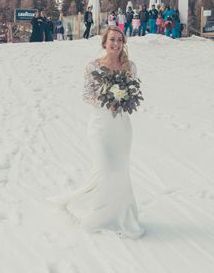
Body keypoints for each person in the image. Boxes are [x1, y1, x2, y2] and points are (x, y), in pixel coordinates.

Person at [51, 26, 145, 238]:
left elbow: (133, 92)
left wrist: (122, 100)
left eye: (120, 40)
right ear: (104, 43)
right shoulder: (93, 66)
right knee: (106, 170)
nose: (116, 43)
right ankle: (97, 216)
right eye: (112, 39)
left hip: (121, 128)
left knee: (119, 173)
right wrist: (106, 101)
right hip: (100, 127)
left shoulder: (130, 67)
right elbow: (86, 95)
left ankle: (118, 215)